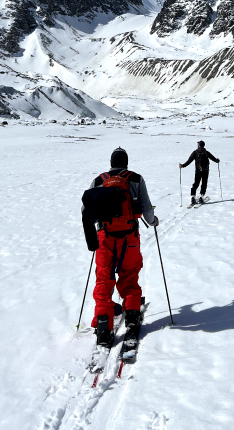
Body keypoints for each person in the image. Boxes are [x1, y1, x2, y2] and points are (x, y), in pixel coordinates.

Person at [82, 147, 158, 346]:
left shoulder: (99, 180)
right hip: (129, 236)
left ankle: (103, 325)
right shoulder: (136, 179)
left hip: (104, 238)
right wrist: (153, 221)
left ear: (111, 162)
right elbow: (147, 207)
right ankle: (132, 315)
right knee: (129, 275)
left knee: (104, 279)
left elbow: (85, 209)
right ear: (125, 162)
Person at [179, 140, 220, 205]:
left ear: (199, 145)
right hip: (205, 171)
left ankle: (193, 197)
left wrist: (183, 165)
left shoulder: (195, 152)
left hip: (198, 171)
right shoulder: (206, 152)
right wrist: (217, 161)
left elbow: (189, 161)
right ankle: (201, 197)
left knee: (196, 184)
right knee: (204, 184)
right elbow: (213, 159)